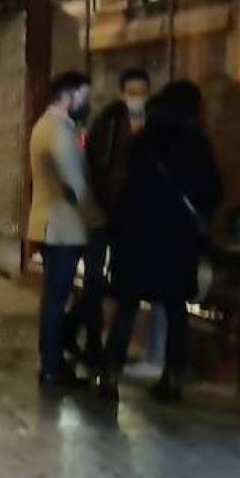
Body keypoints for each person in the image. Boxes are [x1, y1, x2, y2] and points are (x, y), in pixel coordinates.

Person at [97, 81, 222, 403]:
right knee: (175, 308)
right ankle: (172, 377)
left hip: (136, 236)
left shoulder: (142, 142)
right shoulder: (197, 143)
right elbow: (212, 191)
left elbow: (124, 189)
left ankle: (110, 374)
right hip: (177, 239)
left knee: (126, 305)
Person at [71, 68, 150, 371]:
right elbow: (94, 165)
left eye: (141, 91)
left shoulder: (153, 126)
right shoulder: (107, 123)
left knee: (123, 284)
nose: (137, 98)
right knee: (94, 279)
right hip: (103, 213)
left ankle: (111, 350)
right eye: (132, 92)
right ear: (122, 93)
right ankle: (89, 339)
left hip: (133, 219)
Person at [28, 70, 100, 389]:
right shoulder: (57, 131)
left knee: (55, 298)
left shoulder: (49, 126)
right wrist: (96, 219)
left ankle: (53, 360)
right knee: (57, 299)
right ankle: (53, 366)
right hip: (62, 224)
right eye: (83, 96)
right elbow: (75, 183)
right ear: (69, 96)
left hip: (54, 223)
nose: (86, 102)